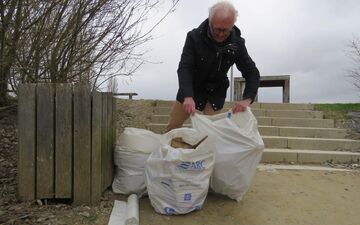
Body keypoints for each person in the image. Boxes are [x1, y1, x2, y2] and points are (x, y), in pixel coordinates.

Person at [166, 1, 260, 132]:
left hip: (215, 93)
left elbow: (252, 72)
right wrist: (187, 96)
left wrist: (247, 99)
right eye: (217, 29)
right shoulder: (194, 37)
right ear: (210, 22)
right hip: (191, 89)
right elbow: (185, 67)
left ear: (232, 26)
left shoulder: (237, 44)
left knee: (213, 134)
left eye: (225, 30)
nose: (221, 34)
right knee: (173, 126)